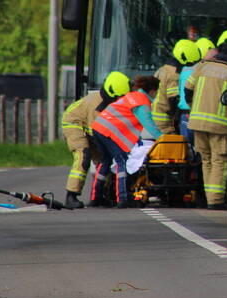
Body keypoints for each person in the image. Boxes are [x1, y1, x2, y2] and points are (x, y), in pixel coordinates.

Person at [184, 29, 227, 209]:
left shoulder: (202, 65)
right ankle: (215, 201)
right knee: (219, 160)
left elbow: (187, 89)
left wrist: (194, 108)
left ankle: (210, 198)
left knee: (206, 159)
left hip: (196, 122)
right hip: (220, 125)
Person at [60, 71, 130, 209]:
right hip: (74, 123)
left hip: (91, 127)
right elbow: (98, 132)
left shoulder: (109, 100)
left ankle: (100, 196)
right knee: (83, 155)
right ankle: (71, 195)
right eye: (118, 98)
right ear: (111, 93)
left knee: (103, 162)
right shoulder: (96, 107)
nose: (120, 101)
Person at [90, 75, 161, 208]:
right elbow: (149, 124)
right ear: (152, 91)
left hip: (98, 126)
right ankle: (123, 198)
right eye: (156, 92)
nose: (156, 95)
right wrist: (162, 138)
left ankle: (95, 197)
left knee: (105, 161)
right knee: (121, 161)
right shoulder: (141, 102)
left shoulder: (131, 96)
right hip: (107, 130)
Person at [152, 40, 200, 135]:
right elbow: (173, 100)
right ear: (184, 58)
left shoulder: (164, 69)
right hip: (165, 123)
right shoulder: (173, 74)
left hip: (156, 117)